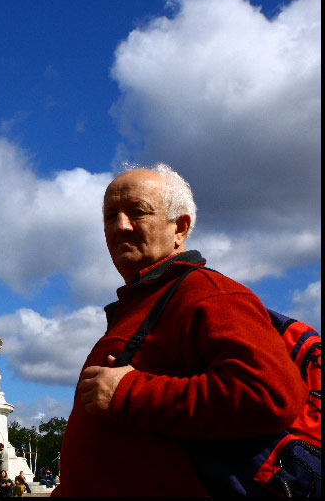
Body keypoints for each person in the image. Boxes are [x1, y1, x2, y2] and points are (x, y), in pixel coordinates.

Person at [59, 164, 308, 496]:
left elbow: (269, 395)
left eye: (137, 212)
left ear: (180, 227)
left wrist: (129, 394)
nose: (120, 226)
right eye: (110, 216)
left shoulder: (209, 294)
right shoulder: (145, 301)